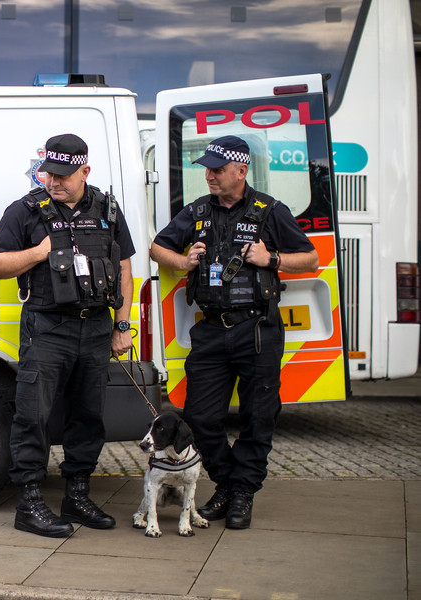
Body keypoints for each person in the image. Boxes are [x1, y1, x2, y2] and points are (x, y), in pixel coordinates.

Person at [149, 135, 319, 529]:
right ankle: (226, 483)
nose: (209, 175)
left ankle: (242, 494)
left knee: (259, 416)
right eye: (206, 169)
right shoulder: (196, 211)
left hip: (256, 330)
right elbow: (158, 248)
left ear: (241, 171)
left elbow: (309, 257)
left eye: (218, 169)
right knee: (198, 418)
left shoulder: (270, 211)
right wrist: (183, 260)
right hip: (211, 330)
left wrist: (270, 257)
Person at [0, 133, 135, 538]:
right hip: (48, 327)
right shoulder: (25, 211)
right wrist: (39, 252)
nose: (54, 181)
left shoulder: (108, 209)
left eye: (65, 175)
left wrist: (122, 325)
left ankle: (77, 494)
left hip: (97, 328)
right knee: (33, 415)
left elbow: (122, 269)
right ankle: (29, 503)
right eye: (50, 173)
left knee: (88, 416)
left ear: (85, 171)